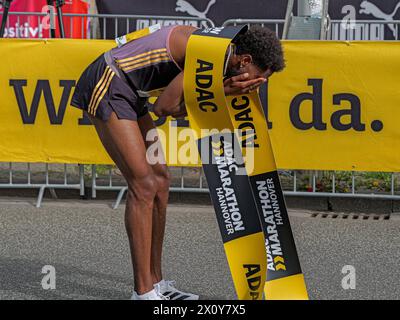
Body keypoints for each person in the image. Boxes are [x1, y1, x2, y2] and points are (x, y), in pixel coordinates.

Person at [70, 25, 285, 300]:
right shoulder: (211, 54)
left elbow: (177, 103)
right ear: (244, 61)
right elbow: (164, 108)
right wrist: (226, 89)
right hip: (109, 82)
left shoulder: (221, 50)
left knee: (160, 180)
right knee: (144, 185)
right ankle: (143, 292)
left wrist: (222, 89)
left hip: (132, 92)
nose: (254, 85)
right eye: (257, 78)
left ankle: (156, 283)